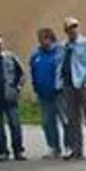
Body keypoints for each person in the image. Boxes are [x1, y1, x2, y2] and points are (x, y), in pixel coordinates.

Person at [58, 16, 86, 161]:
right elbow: (59, 65)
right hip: (68, 85)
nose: (73, 30)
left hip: (84, 85)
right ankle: (76, 149)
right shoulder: (63, 46)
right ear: (66, 30)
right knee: (73, 119)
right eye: (70, 28)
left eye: (75, 27)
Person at [0, 33, 26, 161]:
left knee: (15, 124)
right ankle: (3, 151)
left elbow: (22, 74)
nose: (0, 46)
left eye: (1, 43)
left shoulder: (10, 57)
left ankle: (18, 151)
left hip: (10, 97)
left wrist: (18, 88)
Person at [29, 27, 64, 158]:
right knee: (47, 122)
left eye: (46, 38)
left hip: (59, 93)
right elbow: (33, 71)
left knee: (65, 121)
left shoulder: (60, 52)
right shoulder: (36, 55)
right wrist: (35, 86)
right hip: (43, 94)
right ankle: (53, 147)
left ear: (51, 38)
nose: (44, 42)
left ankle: (69, 146)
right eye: (41, 39)